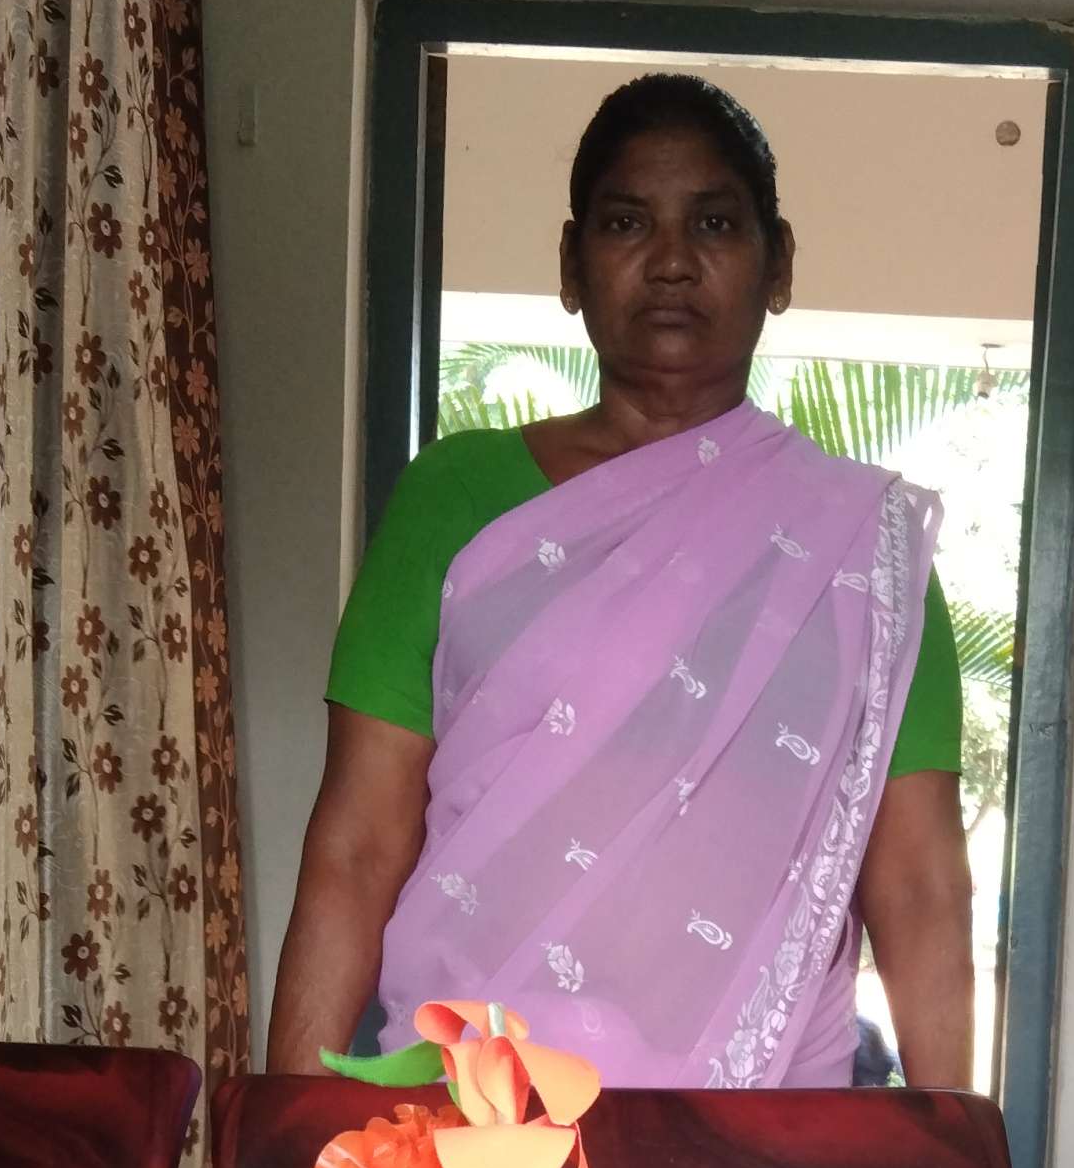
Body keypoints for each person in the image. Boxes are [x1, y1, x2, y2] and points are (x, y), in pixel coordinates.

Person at [268, 73, 976, 1090]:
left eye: (716, 223)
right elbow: (357, 845)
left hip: (762, 1124)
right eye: (627, 222)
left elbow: (919, 885)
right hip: (469, 1111)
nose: (673, 260)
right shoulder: (456, 499)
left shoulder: (867, 554)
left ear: (778, 265)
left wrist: (956, 1151)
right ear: (572, 264)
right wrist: (292, 1129)